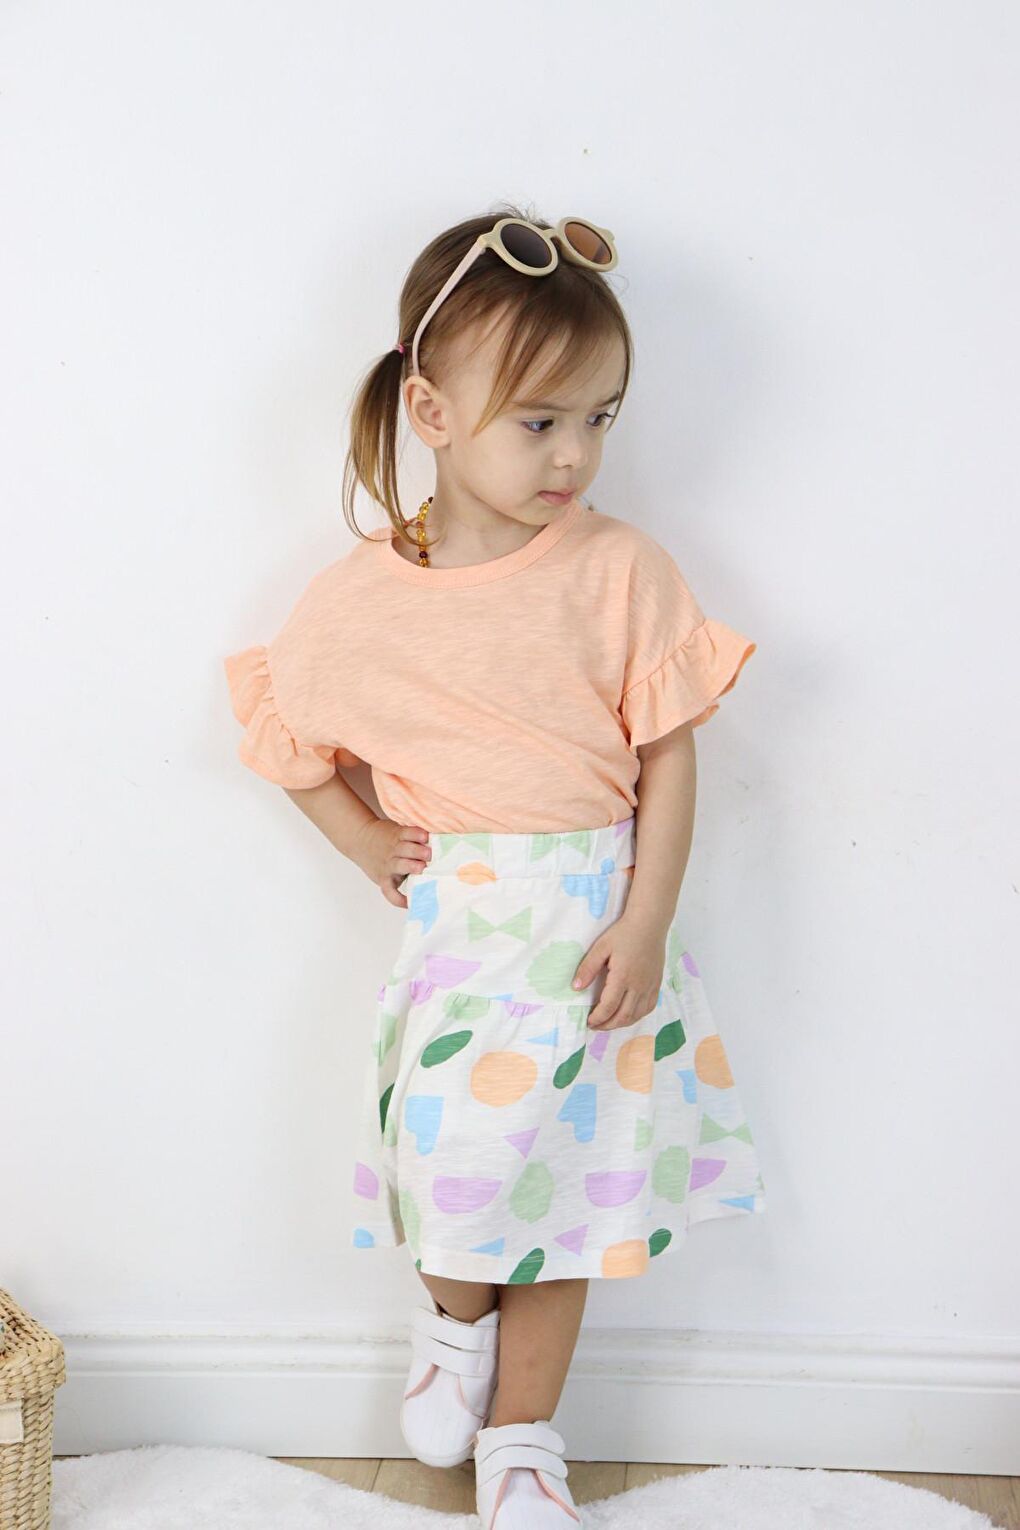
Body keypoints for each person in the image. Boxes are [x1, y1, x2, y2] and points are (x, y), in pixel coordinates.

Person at [223, 203, 767, 1528]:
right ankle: (452, 1328)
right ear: (433, 409)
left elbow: (670, 756)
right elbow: (288, 738)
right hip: (468, 930)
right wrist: (367, 840)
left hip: (595, 929)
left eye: (600, 418)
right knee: (456, 1164)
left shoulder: (621, 569)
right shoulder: (360, 601)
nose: (575, 454)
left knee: (565, 1202)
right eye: (540, 421)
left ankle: (523, 1442)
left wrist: (646, 917)